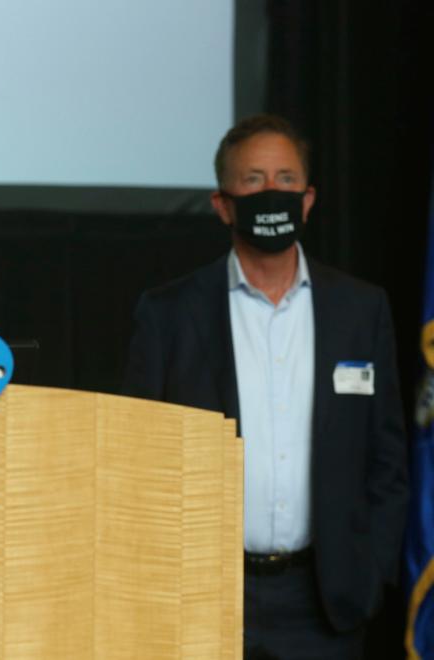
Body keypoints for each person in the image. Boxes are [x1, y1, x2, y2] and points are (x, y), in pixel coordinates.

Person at [121, 114, 408, 658]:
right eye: (253, 181)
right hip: (202, 595)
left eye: (285, 179)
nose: (271, 192)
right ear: (222, 204)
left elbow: (386, 456)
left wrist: (371, 570)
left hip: (326, 602)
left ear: (308, 199)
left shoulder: (361, 309)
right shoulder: (168, 314)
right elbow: (136, 460)